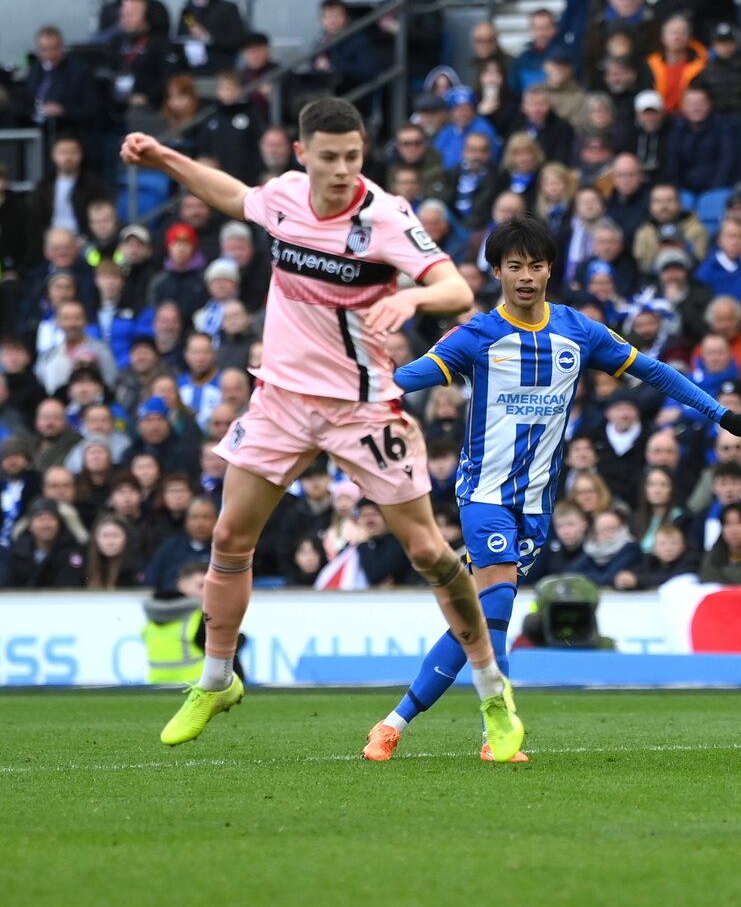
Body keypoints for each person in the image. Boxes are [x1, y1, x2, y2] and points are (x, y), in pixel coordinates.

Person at [120, 97, 523, 761]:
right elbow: (234, 195)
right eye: (329, 157)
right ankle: (216, 679)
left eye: (353, 157)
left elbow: (456, 290)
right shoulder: (282, 197)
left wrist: (411, 296)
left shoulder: (385, 217)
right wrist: (165, 156)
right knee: (228, 535)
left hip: (361, 407)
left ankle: (491, 690)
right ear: (302, 153)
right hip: (280, 398)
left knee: (426, 549)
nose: (342, 170)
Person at [361, 214, 741, 762]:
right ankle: (497, 733)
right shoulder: (476, 335)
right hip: (484, 493)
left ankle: (391, 724)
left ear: (550, 268)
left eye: (535, 265)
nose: (525, 276)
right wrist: (354, 385)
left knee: (475, 620)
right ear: (497, 272)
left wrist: (721, 414)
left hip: (538, 502)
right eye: (514, 266)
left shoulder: (578, 330)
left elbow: (654, 371)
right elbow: (409, 378)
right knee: (499, 604)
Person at [142, 562, 247, 684]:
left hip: (156, 687)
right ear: (182, 584)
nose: (208, 592)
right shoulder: (199, 618)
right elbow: (230, 647)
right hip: (198, 688)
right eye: (201, 586)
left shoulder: (153, 615)